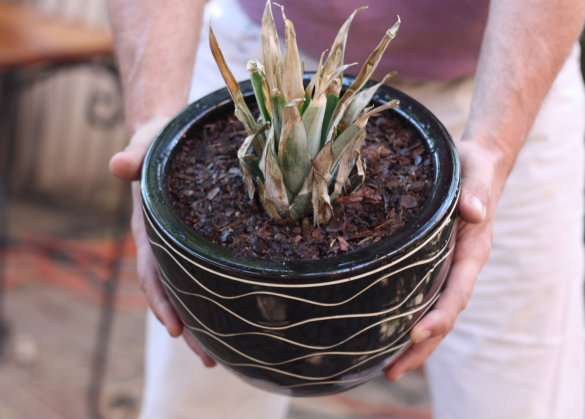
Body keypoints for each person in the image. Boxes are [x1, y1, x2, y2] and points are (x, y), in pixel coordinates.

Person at [107, 0, 585, 417]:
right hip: (254, 60)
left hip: (508, 73)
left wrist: (494, 145)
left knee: (515, 396)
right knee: (199, 404)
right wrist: (153, 120)